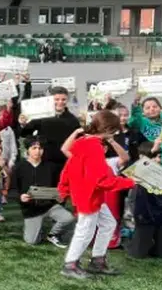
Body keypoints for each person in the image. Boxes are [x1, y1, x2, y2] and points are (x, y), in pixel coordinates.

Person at [57, 110, 136, 280]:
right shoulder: (93, 146)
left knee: (107, 223)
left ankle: (97, 260)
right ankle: (70, 264)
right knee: (84, 230)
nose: (116, 132)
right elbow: (102, 180)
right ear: (108, 129)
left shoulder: (85, 142)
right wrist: (131, 182)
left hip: (88, 194)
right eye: (114, 130)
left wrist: (64, 187)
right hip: (89, 196)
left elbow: (70, 167)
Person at [13, 137, 74, 246]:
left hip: (50, 206)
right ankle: (37, 230)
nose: (37, 151)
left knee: (68, 218)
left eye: (40, 148)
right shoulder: (19, 167)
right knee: (32, 241)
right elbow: (12, 190)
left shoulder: (51, 167)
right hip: (32, 209)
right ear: (27, 150)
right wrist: (20, 197)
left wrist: (61, 196)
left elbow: (60, 186)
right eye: (34, 148)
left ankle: (52, 235)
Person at [20, 86, 81, 166]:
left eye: (63, 99)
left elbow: (78, 142)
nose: (60, 102)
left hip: (65, 163)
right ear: (51, 100)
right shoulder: (41, 116)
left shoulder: (73, 120)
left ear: (67, 100)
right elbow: (25, 133)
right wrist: (23, 124)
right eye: (57, 99)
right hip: (44, 162)